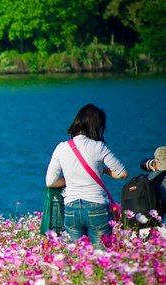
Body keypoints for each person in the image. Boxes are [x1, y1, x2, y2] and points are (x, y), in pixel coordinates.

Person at [45, 104, 128, 246]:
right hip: (96, 206)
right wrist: (103, 171)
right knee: (103, 255)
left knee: (79, 255)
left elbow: (50, 182)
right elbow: (122, 173)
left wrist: (71, 179)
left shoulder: (61, 148)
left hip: (71, 207)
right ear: (96, 125)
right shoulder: (99, 147)